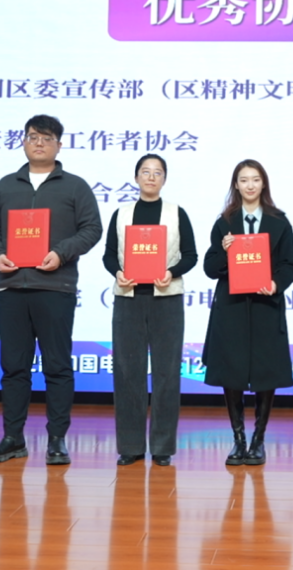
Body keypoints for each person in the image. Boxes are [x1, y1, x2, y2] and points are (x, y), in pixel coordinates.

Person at [0, 114, 103, 465]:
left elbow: (92, 229)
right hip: (12, 287)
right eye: (33, 137)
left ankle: (57, 440)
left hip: (55, 287)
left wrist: (61, 253)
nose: (40, 143)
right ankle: (13, 438)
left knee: (57, 367)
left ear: (59, 145)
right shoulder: (7, 186)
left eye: (47, 138)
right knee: (13, 368)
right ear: (24, 142)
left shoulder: (74, 186)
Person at [202, 160, 293, 466]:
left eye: (255, 179)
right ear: (236, 185)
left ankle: (258, 439)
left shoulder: (279, 222)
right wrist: (224, 250)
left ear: (263, 184)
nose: (249, 185)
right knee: (231, 372)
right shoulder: (224, 222)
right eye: (243, 180)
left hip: (265, 306)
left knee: (265, 372)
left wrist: (275, 284)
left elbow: (291, 265)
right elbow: (209, 268)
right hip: (231, 308)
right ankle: (238, 440)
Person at [101, 154, 198, 467]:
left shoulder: (176, 213)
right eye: (146, 171)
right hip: (128, 299)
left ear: (164, 179)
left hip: (166, 300)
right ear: (136, 177)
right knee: (128, 372)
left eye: (157, 172)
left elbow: (191, 255)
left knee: (167, 374)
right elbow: (108, 255)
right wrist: (117, 272)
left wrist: (171, 271)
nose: (151, 177)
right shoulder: (121, 213)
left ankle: (162, 447)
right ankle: (130, 446)